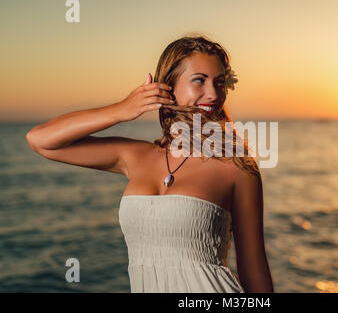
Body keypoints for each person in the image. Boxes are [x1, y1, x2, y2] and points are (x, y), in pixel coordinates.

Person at [26, 34, 274, 293]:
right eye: (199, 80)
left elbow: (253, 268)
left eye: (220, 82)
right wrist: (123, 109)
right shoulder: (136, 157)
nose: (213, 94)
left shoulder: (236, 168)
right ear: (168, 87)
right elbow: (40, 140)